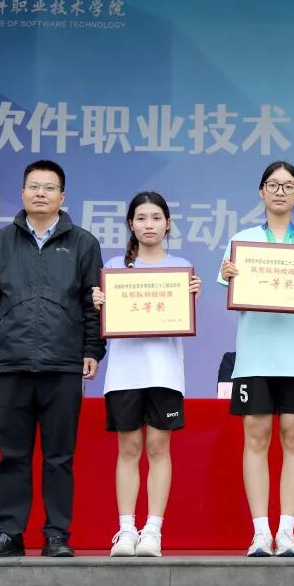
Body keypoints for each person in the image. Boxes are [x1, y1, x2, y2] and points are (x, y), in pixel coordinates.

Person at [0, 159, 104, 558]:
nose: (40, 193)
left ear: (62, 196)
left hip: (63, 364)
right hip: (11, 363)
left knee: (59, 457)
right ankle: (8, 534)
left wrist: (92, 349)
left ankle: (57, 535)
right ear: (22, 193)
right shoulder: (0, 243)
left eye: (49, 188)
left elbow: (94, 304)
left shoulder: (83, 243)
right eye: (34, 186)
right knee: (13, 455)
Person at [217, 161, 294, 557]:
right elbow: (234, 297)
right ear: (261, 191)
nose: (280, 192)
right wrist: (232, 277)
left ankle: (286, 531)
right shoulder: (243, 241)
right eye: (273, 185)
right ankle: (260, 532)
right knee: (255, 436)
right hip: (255, 358)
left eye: (289, 186)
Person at [91, 192, 201, 557]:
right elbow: (105, 318)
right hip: (124, 374)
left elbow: (182, 315)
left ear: (168, 223)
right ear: (131, 224)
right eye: (141, 218)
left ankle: (153, 530)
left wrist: (191, 296)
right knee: (129, 448)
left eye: (156, 218)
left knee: (158, 447)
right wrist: (100, 304)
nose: (149, 225)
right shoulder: (114, 268)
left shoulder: (182, 268)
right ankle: (125, 529)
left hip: (164, 373)